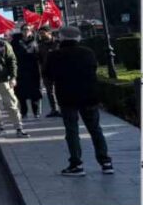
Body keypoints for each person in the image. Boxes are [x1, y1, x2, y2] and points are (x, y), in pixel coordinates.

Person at [43, 26, 113, 176]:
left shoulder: (55, 55)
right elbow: (94, 69)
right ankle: (106, 162)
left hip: (67, 98)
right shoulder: (88, 53)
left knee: (72, 131)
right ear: (78, 38)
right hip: (89, 96)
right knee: (95, 129)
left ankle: (76, 164)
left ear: (61, 38)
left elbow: (47, 75)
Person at [12, 24, 43, 119]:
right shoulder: (15, 42)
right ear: (21, 31)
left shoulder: (36, 41)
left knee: (35, 93)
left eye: (28, 29)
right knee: (21, 93)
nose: (26, 31)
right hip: (20, 71)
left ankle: (36, 112)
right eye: (24, 29)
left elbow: (40, 54)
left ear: (31, 31)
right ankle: (23, 112)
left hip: (33, 70)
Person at [37, 27, 62, 117]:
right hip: (46, 72)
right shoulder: (40, 45)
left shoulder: (58, 43)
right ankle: (54, 110)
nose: (41, 35)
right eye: (40, 34)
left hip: (58, 71)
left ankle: (63, 109)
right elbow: (39, 59)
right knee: (50, 92)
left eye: (43, 33)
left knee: (60, 91)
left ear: (49, 33)